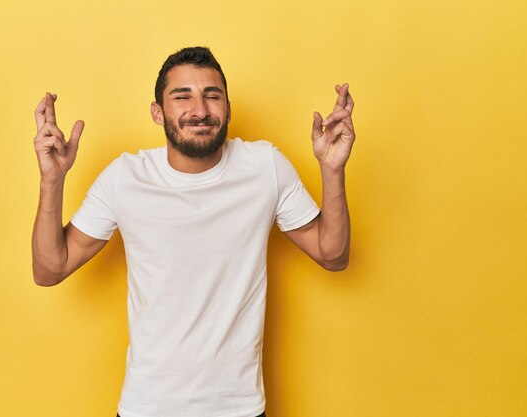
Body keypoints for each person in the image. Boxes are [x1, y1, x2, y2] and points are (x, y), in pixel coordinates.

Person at [32, 46, 355, 417]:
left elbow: (333, 255)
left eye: (212, 96)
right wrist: (51, 179)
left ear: (228, 109)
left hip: (239, 409)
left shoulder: (265, 167)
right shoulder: (126, 178)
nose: (199, 110)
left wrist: (332, 171)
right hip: (146, 407)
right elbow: (49, 269)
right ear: (158, 112)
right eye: (182, 96)